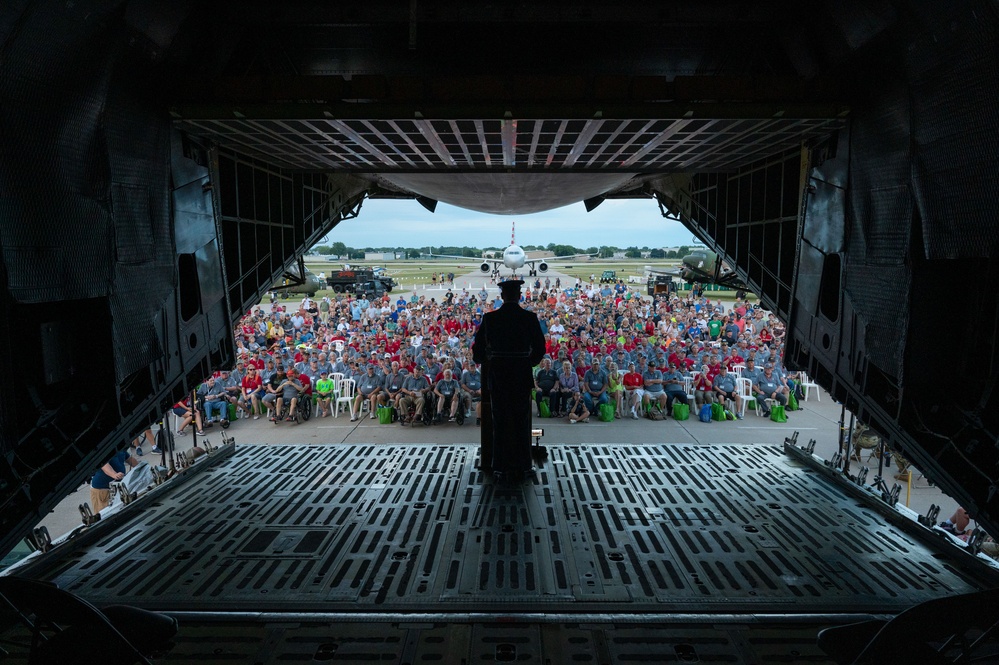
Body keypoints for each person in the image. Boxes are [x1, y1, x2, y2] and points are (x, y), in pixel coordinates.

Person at [472, 279, 546, 477]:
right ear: (519, 295)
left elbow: (477, 353)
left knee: (501, 421)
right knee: (521, 421)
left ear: (502, 296)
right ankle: (523, 465)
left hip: (499, 375)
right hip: (521, 374)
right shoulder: (529, 318)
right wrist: (527, 362)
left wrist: (490, 357)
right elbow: (540, 348)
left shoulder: (490, 319)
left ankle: (500, 466)